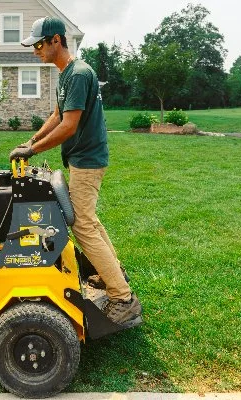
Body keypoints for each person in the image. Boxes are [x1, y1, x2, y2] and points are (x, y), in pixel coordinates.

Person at [8, 17, 141, 327]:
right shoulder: (67, 75)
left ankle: (122, 298)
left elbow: (70, 125)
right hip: (82, 158)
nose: (35, 51)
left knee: (81, 225)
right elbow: (57, 115)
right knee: (89, 221)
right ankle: (112, 272)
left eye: (39, 44)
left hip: (87, 159)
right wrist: (32, 140)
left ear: (56, 40)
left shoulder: (79, 74)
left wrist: (34, 151)